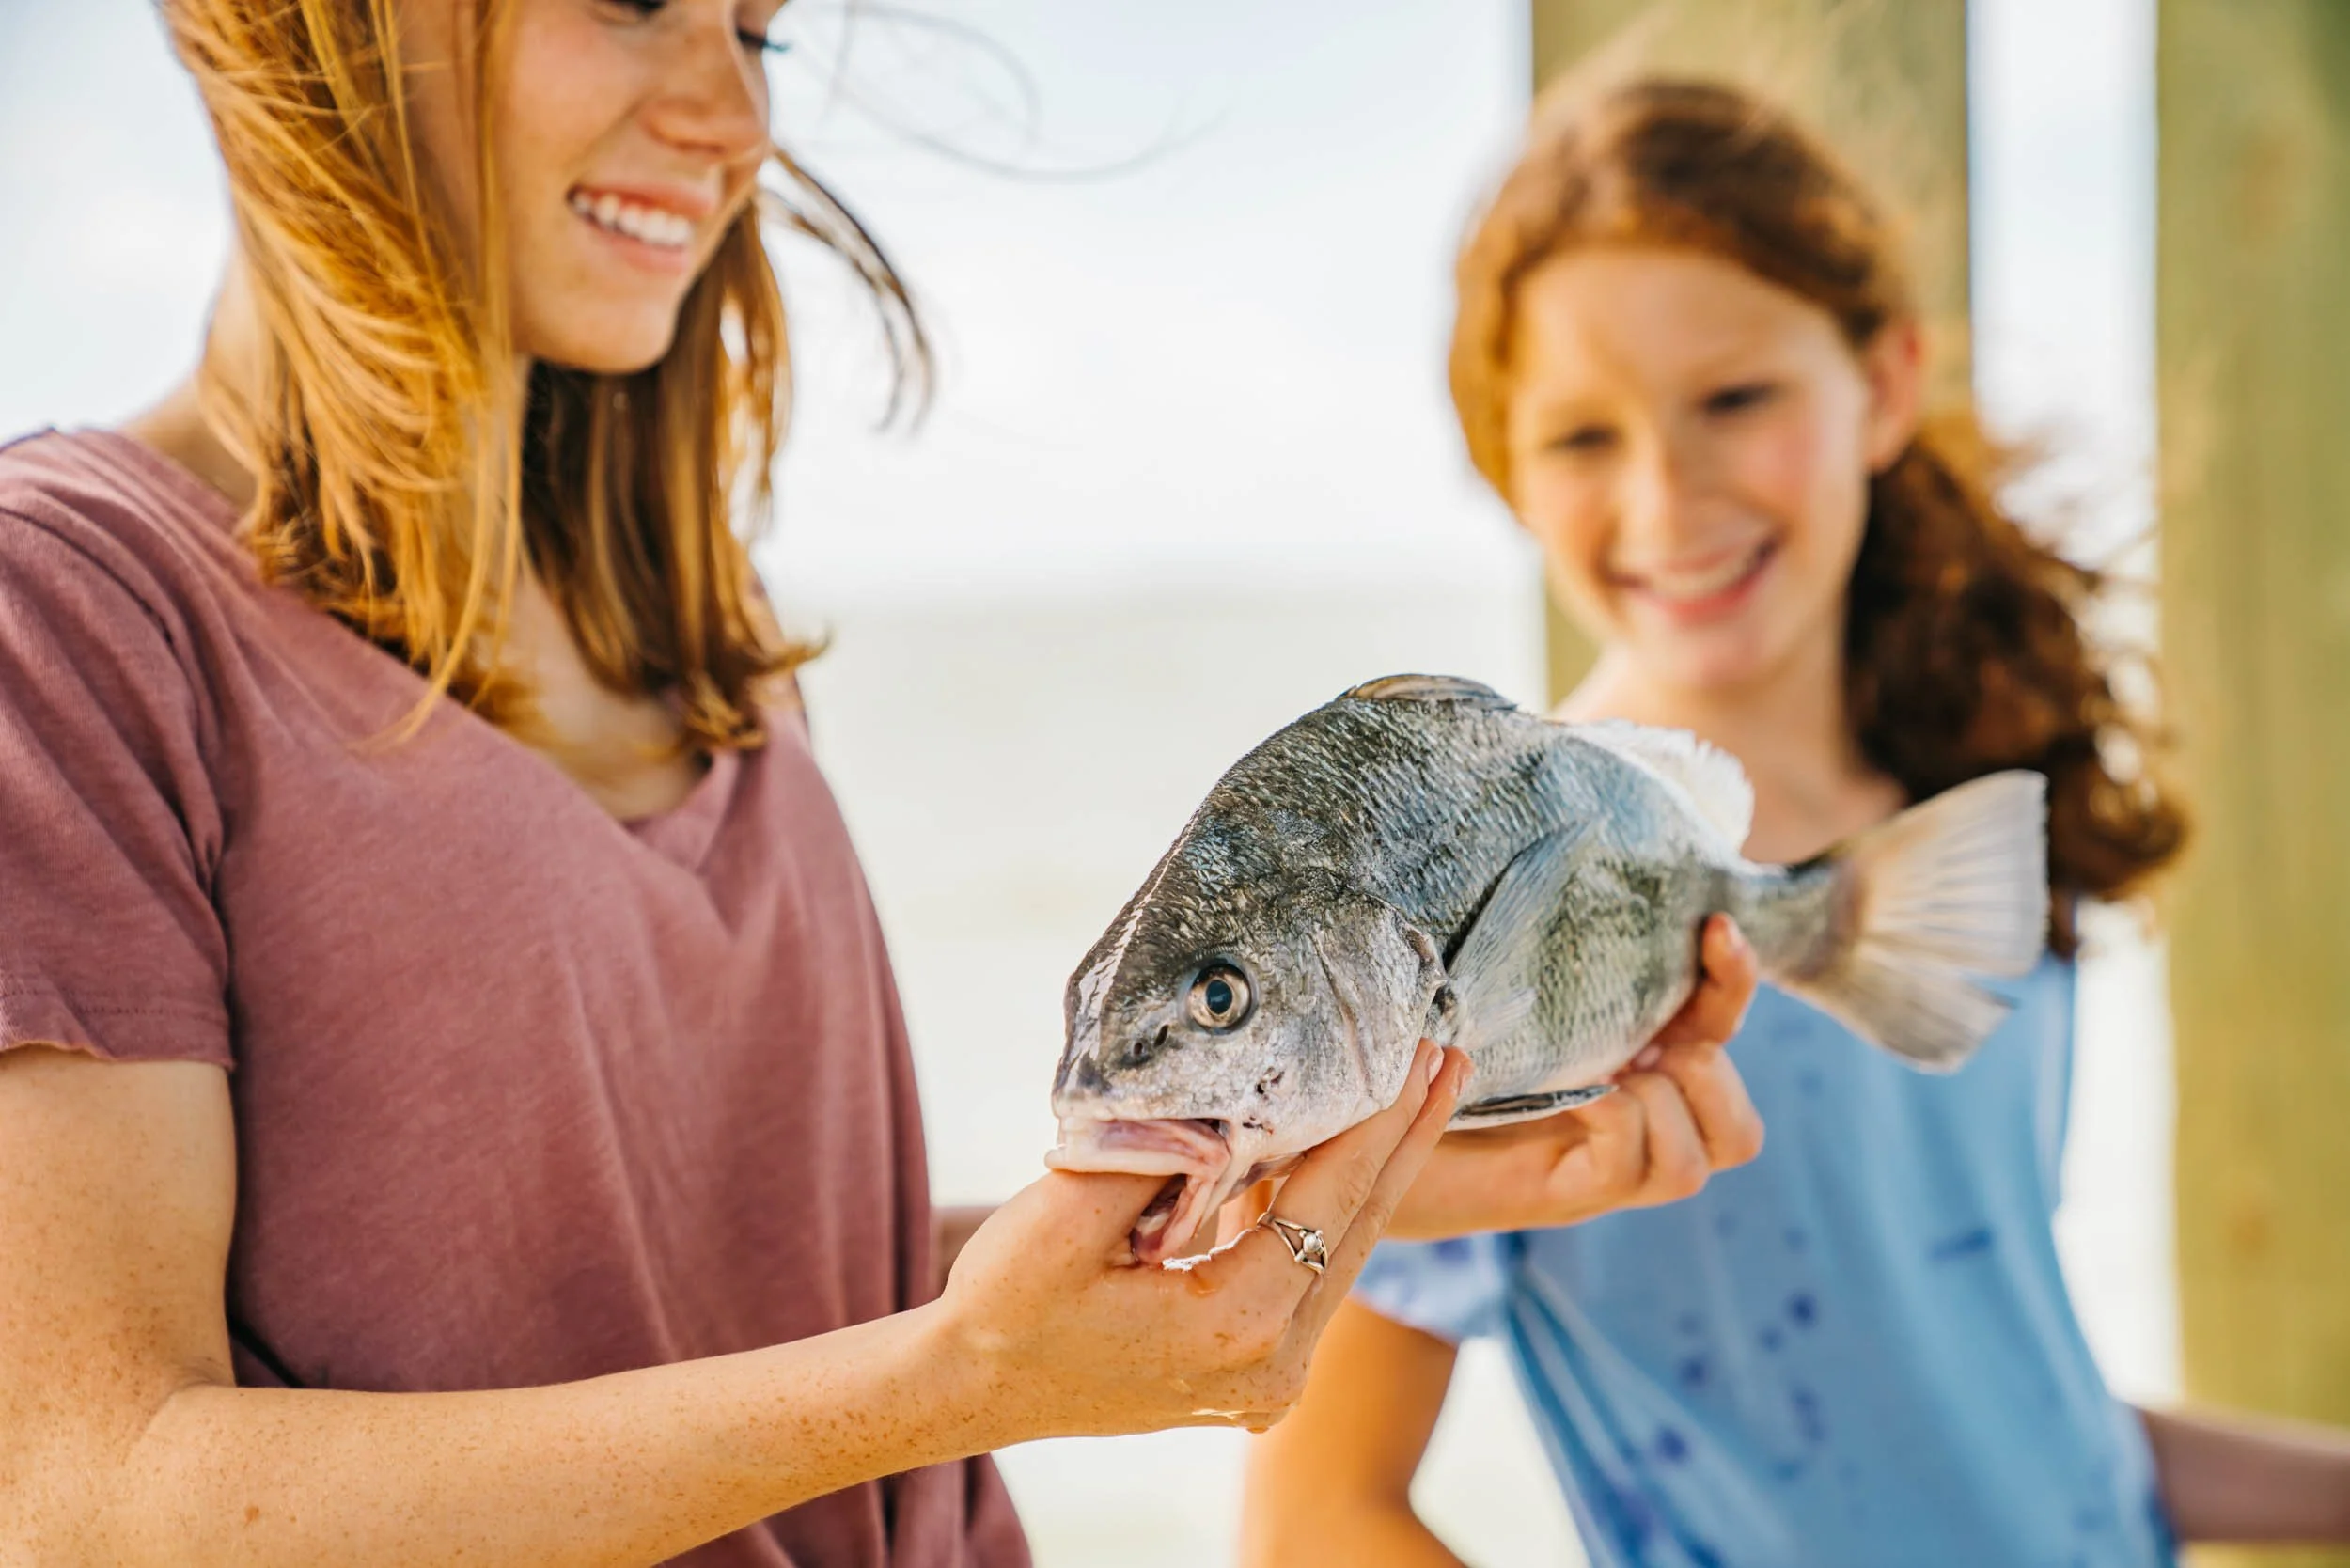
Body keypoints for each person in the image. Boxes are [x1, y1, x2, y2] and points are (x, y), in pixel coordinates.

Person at [0, 8, 1770, 1565]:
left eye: (760, 31)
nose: (735, 114)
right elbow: (87, 1498)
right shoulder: (69, 617)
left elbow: (767, 1294)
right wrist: (951, 1390)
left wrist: (1399, 1174)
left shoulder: (701, 633)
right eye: (633, 3)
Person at [1242, 76, 2350, 1567]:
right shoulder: (1484, 905)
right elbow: (1320, 1520)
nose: (1668, 495)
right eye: (1580, 438)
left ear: (1883, 385)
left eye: (1736, 399)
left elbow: (2009, 1413)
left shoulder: (1965, 836)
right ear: (1504, 470)